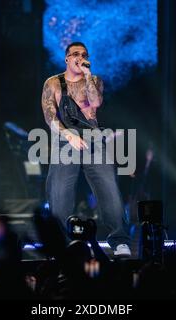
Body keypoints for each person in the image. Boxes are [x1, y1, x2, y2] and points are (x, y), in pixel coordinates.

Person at [41, 42, 131, 257]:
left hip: (93, 138)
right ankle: (59, 243)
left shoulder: (95, 80)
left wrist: (88, 74)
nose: (79, 58)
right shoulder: (53, 83)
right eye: (75, 54)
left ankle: (119, 240)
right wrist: (67, 134)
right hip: (65, 139)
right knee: (59, 191)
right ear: (66, 58)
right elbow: (49, 115)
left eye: (84, 55)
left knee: (108, 187)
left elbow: (96, 102)